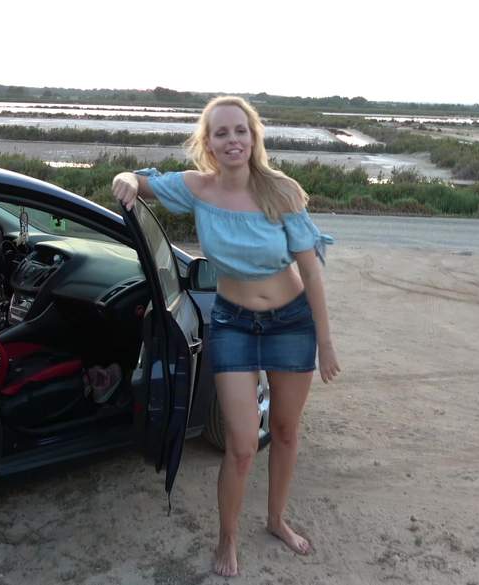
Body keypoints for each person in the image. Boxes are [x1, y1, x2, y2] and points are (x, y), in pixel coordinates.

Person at [112, 95, 340, 577]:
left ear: (253, 137)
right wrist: (127, 179)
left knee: (285, 430)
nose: (232, 139)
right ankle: (227, 539)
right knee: (240, 444)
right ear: (209, 143)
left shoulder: (281, 191)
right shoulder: (197, 188)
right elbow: (141, 182)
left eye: (241, 130)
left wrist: (325, 341)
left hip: (291, 323)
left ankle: (276, 520)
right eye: (222, 132)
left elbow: (310, 272)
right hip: (234, 323)